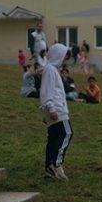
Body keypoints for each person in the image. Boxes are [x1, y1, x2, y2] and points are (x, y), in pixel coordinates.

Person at [40, 44, 73, 180]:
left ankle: (49, 168)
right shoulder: (50, 70)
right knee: (67, 133)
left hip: (53, 109)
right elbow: (47, 91)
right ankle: (57, 164)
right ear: (58, 56)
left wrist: (46, 111)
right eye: (64, 57)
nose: (65, 61)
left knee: (53, 138)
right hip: (57, 110)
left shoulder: (52, 70)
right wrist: (50, 108)